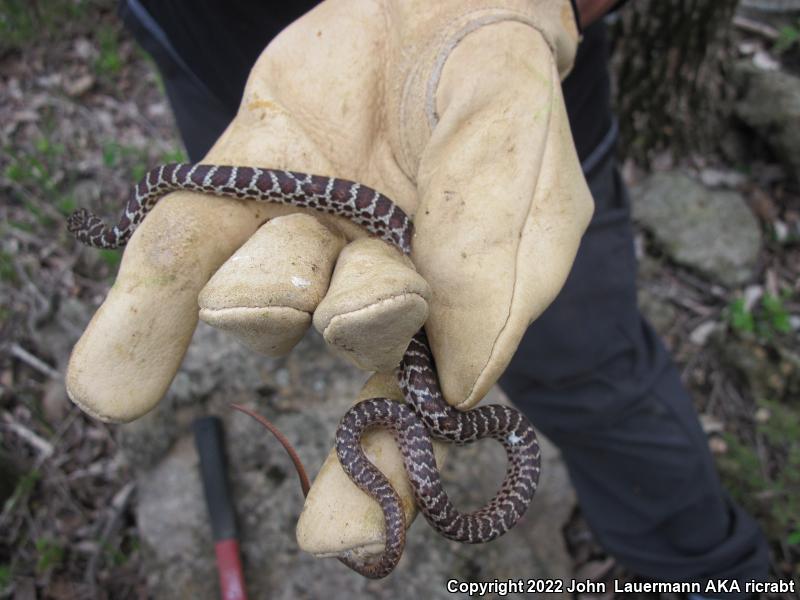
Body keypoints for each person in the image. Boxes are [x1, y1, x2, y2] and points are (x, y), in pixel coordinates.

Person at [110, 0, 768, 595]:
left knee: (583, 362)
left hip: (510, 113)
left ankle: (718, 576)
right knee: (309, 280)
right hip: (240, 90)